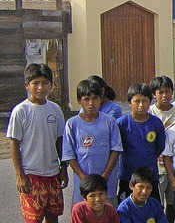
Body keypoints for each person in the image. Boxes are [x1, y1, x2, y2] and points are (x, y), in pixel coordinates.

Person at [7, 63, 67, 223]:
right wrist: (19, 175)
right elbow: (14, 143)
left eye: (45, 83)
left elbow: (60, 141)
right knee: (34, 218)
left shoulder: (55, 110)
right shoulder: (21, 111)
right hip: (31, 174)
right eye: (35, 83)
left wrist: (63, 168)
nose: (41, 87)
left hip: (53, 173)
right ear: (27, 85)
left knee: (53, 216)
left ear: (51, 85)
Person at [63, 79, 123, 205]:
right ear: (79, 100)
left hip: (107, 185)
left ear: (100, 99)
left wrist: (105, 174)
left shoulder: (109, 122)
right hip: (83, 186)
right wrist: (84, 178)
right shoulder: (72, 124)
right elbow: (70, 155)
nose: (91, 103)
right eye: (86, 99)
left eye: (95, 98)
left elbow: (115, 150)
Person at [116, 83, 166, 203]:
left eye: (145, 101)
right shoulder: (121, 124)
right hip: (127, 176)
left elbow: (159, 147)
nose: (141, 105)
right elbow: (116, 149)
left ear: (150, 102)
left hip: (150, 177)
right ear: (129, 102)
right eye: (136, 101)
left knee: (153, 210)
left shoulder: (156, 123)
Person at [149, 75, 175, 221]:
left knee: (173, 202)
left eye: (167, 91)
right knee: (157, 202)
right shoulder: (149, 112)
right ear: (154, 94)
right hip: (157, 167)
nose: (164, 95)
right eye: (160, 92)